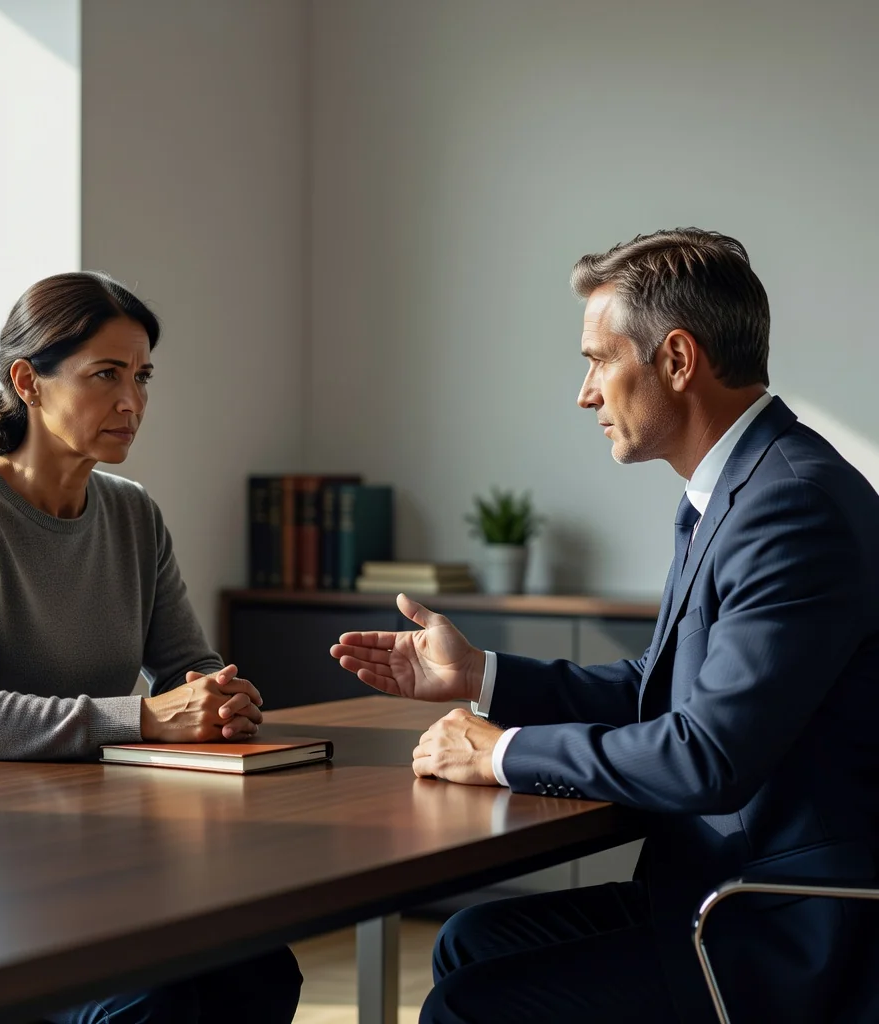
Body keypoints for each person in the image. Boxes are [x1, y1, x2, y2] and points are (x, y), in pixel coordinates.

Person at [331, 229, 879, 1024]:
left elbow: (707, 756)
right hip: (719, 889)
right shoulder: (741, 491)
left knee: (471, 1003)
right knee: (471, 942)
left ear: (678, 360)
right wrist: (481, 677)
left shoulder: (791, 506)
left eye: (597, 359)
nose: (584, 392)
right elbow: (661, 691)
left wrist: (504, 755)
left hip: (783, 925)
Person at [0, 272, 302, 1024]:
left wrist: (219, 694)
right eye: (106, 375)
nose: (132, 402)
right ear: (27, 382)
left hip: (81, 837)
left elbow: (186, 662)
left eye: (141, 377)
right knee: (153, 1001)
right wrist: (146, 719)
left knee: (259, 972)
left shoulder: (133, 512)